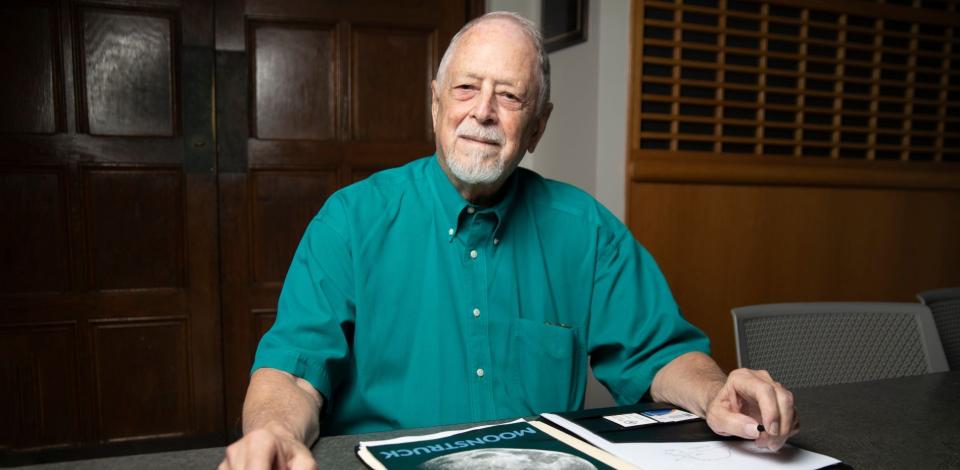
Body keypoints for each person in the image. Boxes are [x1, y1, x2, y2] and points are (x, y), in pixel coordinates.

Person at [219, 11, 797, 470]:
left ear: (538, 126)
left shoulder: (585, 228)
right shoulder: (350, 220)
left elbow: (660, 354)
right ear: (436, 103)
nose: (483, 113)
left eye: (510, 96)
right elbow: (292, 373)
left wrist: (720, 391)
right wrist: (272, 433)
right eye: (466, 88)